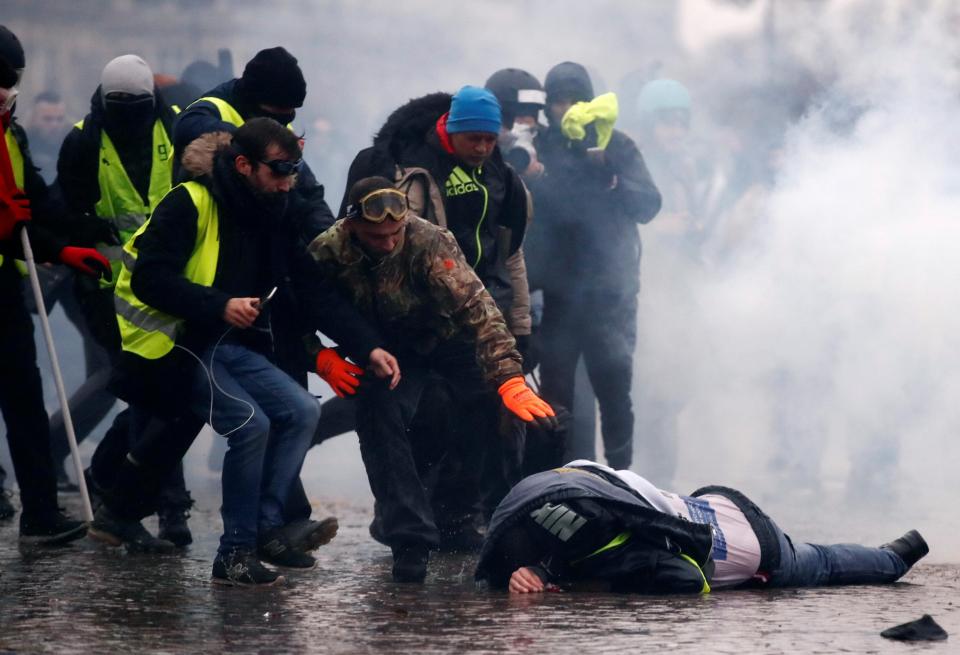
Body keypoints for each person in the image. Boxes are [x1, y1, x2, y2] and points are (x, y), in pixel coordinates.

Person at [94, 118, 397, 587]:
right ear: (243, 164)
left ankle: (266, 531)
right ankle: (234, 553)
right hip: (175, 344)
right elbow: (149, 278)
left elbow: (312, 291)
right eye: (279, 170)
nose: (288, 182)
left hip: (228, 344)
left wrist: (368, 346)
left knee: (300, 410)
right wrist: (220, 305)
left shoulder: (274, 208)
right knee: (249, 424)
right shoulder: (189, 202)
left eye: (294, 170)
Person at [308, 176, 556, 583]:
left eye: (395, 232)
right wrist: (317, 356)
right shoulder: (327, 250)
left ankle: (494, 524)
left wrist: (509, 377)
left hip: (448, 342)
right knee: (379, 419)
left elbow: (479, 309)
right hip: (382, 350)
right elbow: (293, 309)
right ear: (352, 225)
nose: (389, 243)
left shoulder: (428, 240)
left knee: (494, 411)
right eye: (377, 236)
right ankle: (408, 539)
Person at [341, 86, 535, 544]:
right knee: (417, 416)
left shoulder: (502, 177)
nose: (483, 149)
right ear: (450, 130)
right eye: (474, 140)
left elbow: (511, 256)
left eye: (491, 140)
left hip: (471, 312)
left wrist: (521, 327)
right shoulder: (412, 169)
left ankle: (455, 515)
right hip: (411, 315)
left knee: (482, 411)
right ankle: (400, 511)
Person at [56, 54, 195, 544]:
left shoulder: (174, 131)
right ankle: (157, 508)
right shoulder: (83, 142)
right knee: (149, 397)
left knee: (159, 397)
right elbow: (65, 213)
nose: (132, 114)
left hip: (166, 289)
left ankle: (122, 489)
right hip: (108, 294)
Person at [476, 460, 929, 594]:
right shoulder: (581, 476)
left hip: (752, 548)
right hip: (714, 505)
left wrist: (574, 582)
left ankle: (893, 558)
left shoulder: (612, 545)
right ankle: (892, 553)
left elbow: (687, 580)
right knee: (819, 554)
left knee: (818, 564)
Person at [0, 24, 110, 542]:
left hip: (4, 284)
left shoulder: (12, 134)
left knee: (24, 394)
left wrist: (67, 244)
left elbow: (36, 206)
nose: (8, 89)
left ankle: (40, 513)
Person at [526, 62, 662, 470]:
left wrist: (610, 172)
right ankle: (556, 477)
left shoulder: (617, 146)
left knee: (614, 389)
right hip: (557, 294)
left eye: (574, 101)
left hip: (610, 292)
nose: (565, 110)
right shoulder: (541, 149)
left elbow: (649, 204)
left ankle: (622, 477)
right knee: (555, 394)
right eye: (558, 102)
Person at [23, 91, 67, 183]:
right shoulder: (21, 146)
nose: (55, 125)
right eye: (48, 119)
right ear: (33, 119)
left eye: (60, 119)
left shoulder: (73, 145)